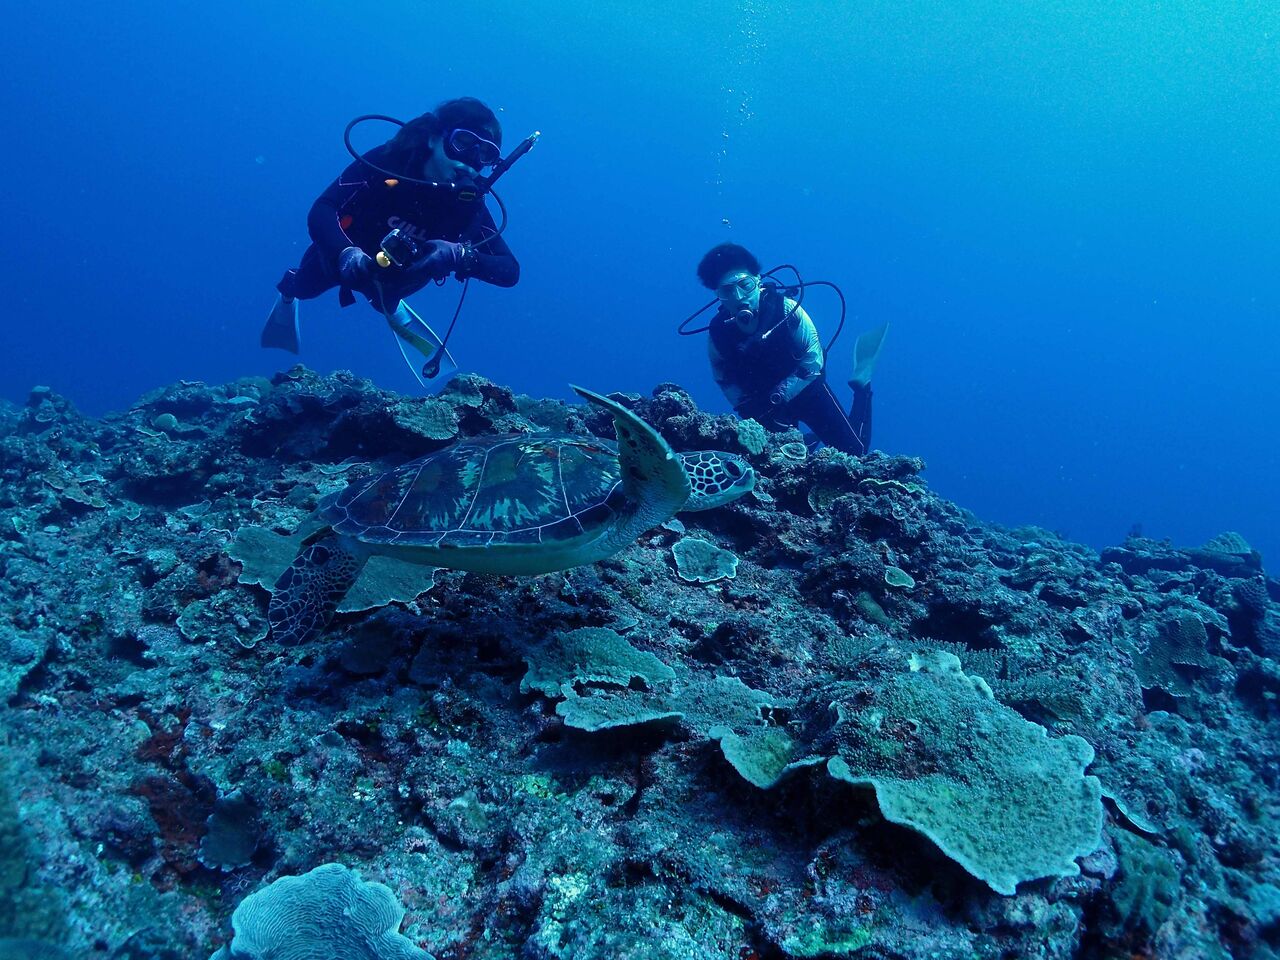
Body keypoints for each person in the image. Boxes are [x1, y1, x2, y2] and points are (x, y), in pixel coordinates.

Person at [261, 97, 520, 367]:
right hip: (341, 259)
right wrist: (345, 253)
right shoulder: (388, 162)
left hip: (402, 276)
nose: (470, 162)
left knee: (385, 296)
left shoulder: (468, 205)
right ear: (434, 138)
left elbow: (510, 270)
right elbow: (323, 209)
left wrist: (460, 256)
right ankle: (290, 289)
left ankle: (390, 303)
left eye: (485, 155)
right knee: (305, 287)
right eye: (463, 143)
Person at [695, 242, 886, 456]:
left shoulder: (787, 310)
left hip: (808, 390)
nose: (738, 297)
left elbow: (813, 359)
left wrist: (778, 396)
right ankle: (807, 442)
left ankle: (862, 385)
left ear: (757, 281)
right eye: (727, 290)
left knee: (855, 453)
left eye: (745, 285)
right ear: (718, 295)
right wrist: (749, 408)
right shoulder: (718, 334)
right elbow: (724, 379)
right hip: (766, 408)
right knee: (781, 462)